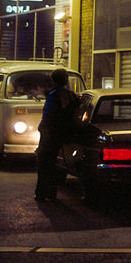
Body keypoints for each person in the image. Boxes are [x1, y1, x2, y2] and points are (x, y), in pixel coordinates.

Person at [34, 68, 78, 202]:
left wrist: (42, 128)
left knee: (44, 163)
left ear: (54, 80)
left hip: (51, 135)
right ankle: (51, 192)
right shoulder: (71, 95)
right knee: (54, 165)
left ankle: (42, 193)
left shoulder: (54, 96)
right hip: (63, 135)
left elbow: (49, 117)